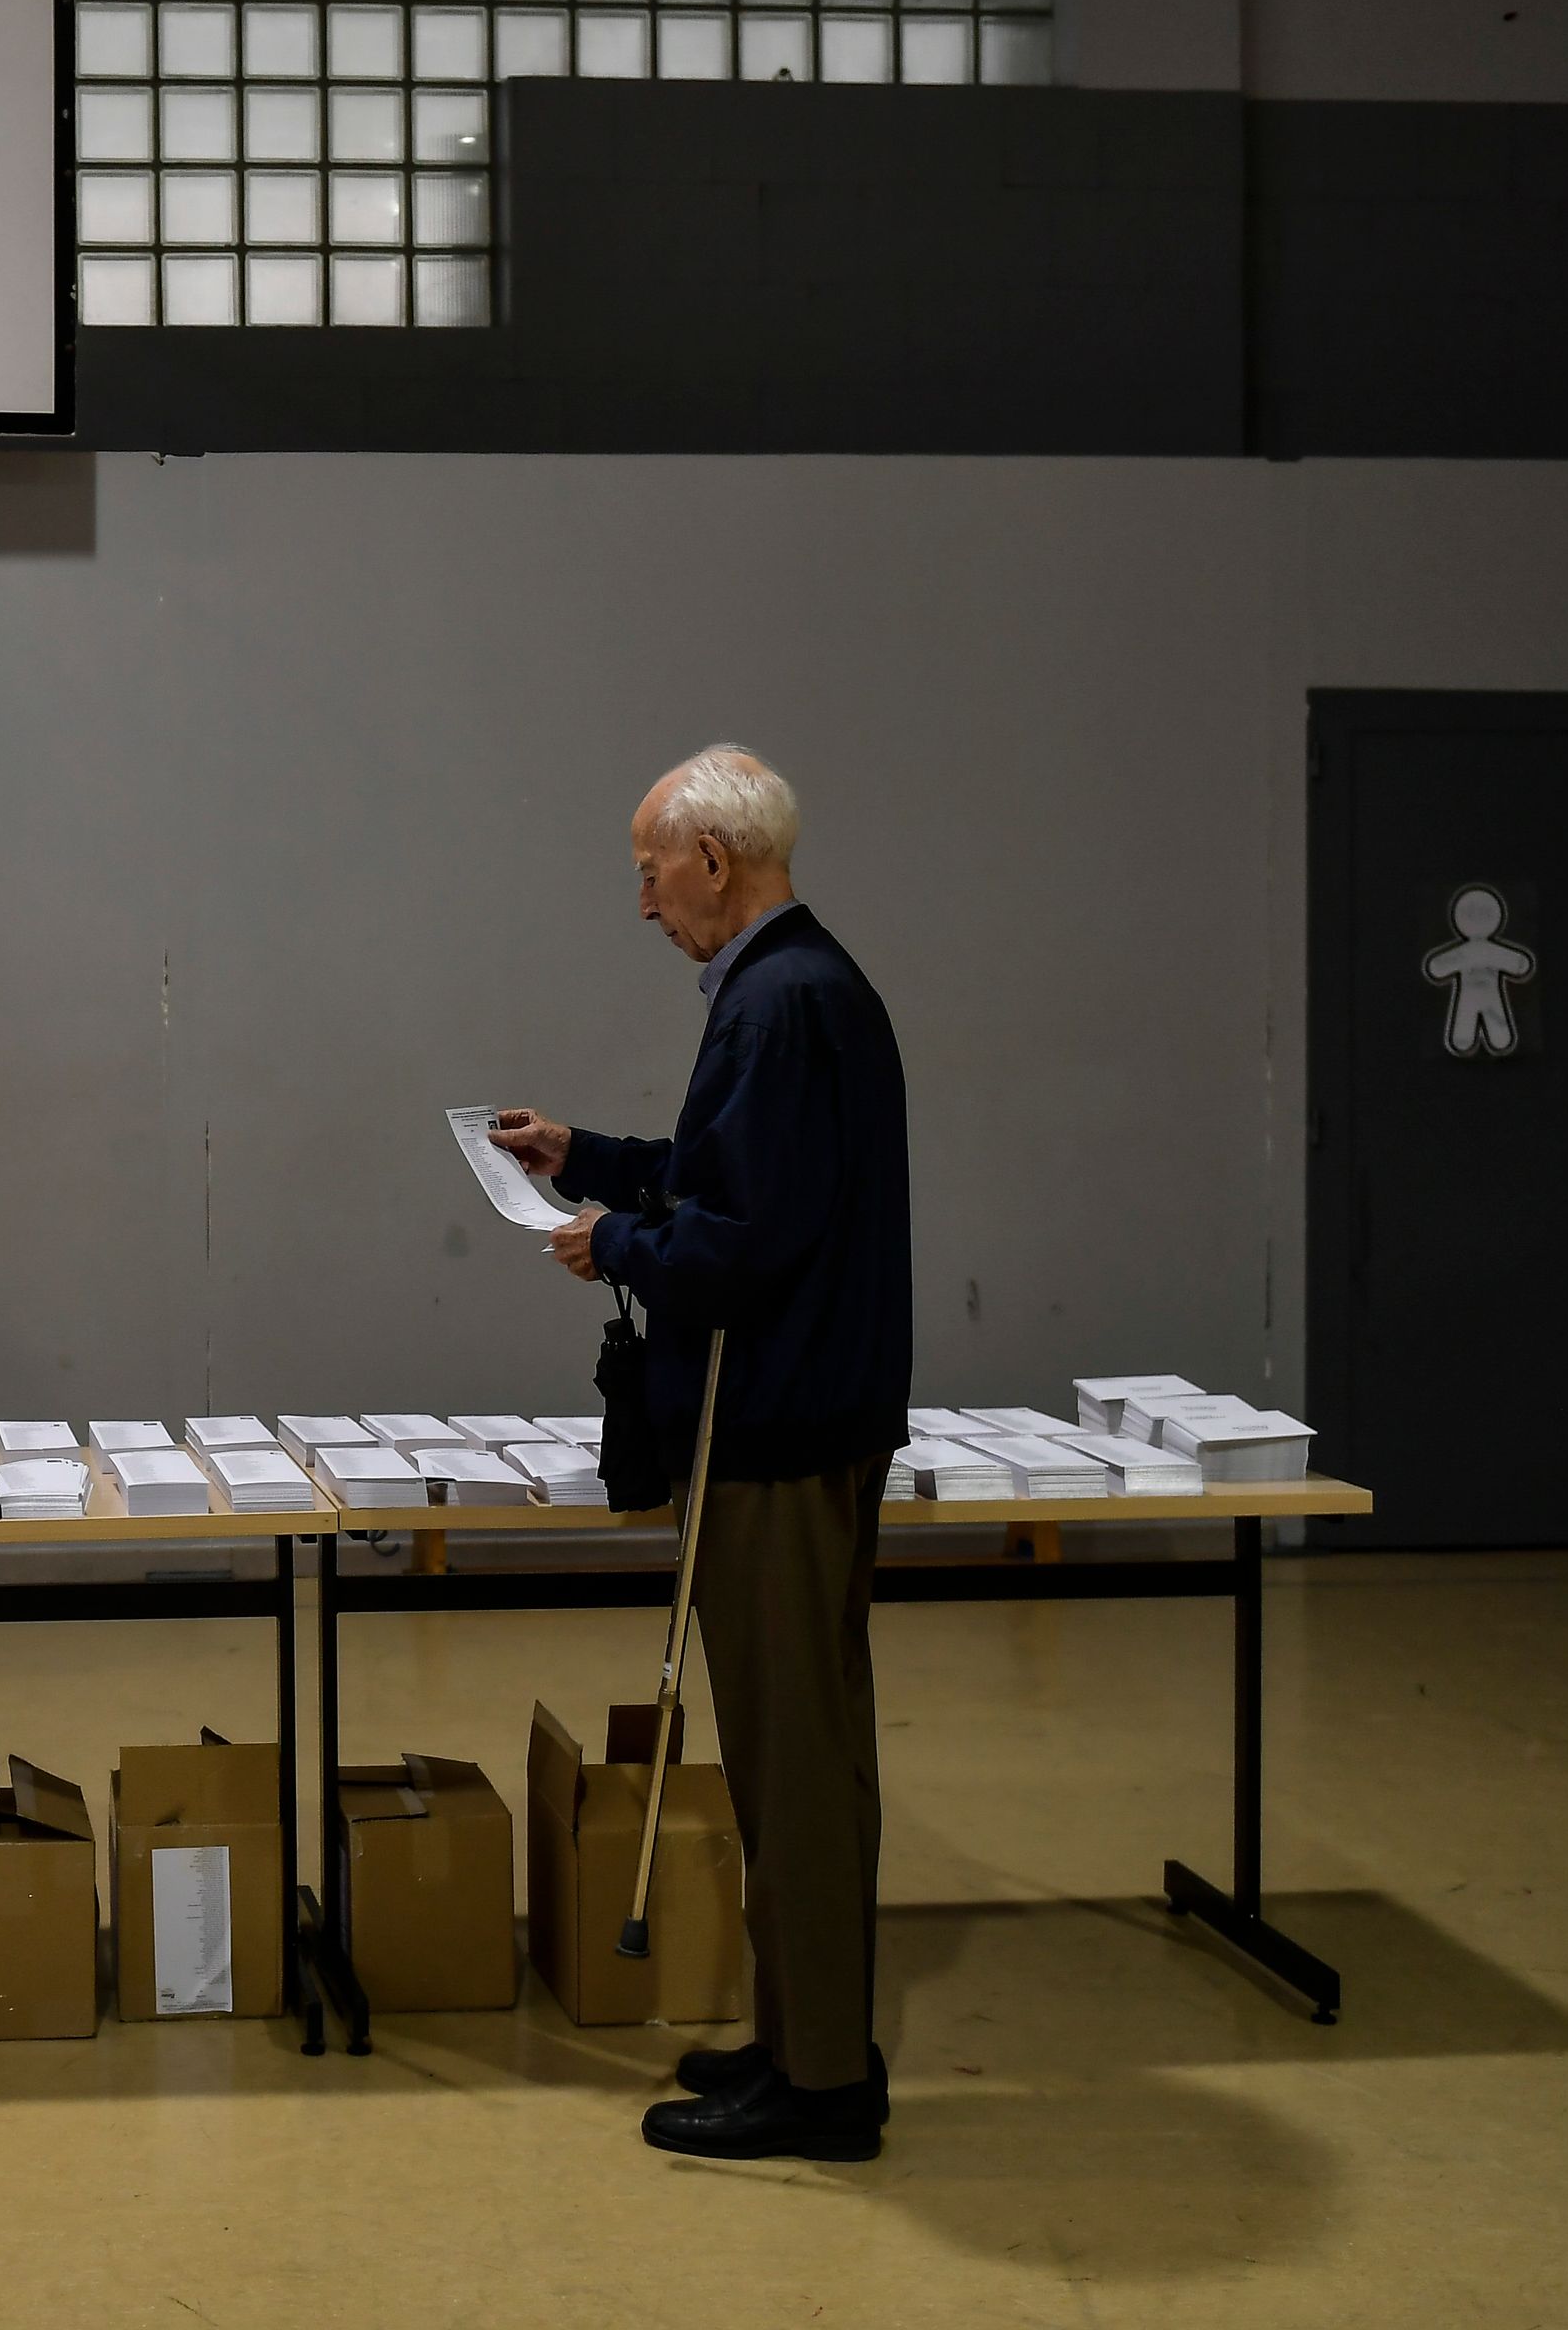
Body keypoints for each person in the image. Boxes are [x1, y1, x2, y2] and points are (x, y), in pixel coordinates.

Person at [491, 744, 911, 2163]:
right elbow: (735, 1176)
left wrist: (612, 1243)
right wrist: (592, 1158)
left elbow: (745, 1244)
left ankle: (823, 2089)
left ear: (714, 860)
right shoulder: (801, 988)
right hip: (811, 1422)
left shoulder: (780, 1006)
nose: (645, 898)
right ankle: (808, 2046)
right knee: (808, 1754)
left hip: (778, 1439)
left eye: (650, 869)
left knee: (792, 1765)